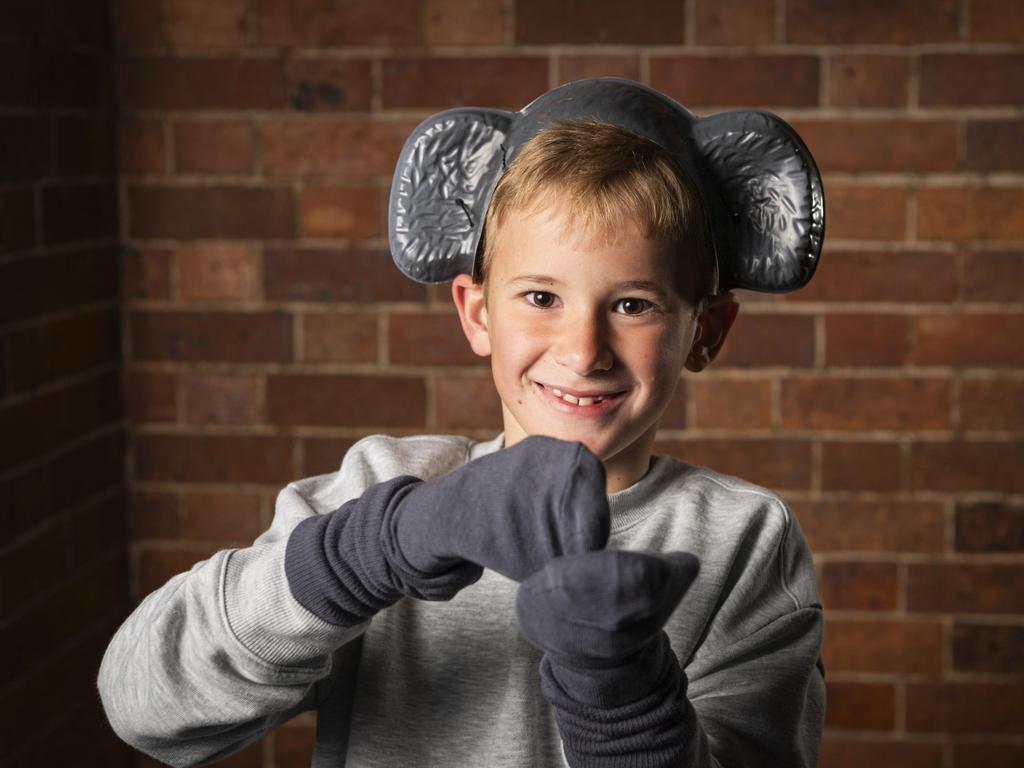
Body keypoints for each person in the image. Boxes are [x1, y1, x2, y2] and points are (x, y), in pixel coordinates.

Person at [98, 78, 826, 767]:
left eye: (633, 304)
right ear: (477, 313)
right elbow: (143, 704)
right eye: (541, 297)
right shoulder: (384, 488)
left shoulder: (741, 541)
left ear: (707, 330)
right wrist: (373, 548)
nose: (582, 350)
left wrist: (623, 689)